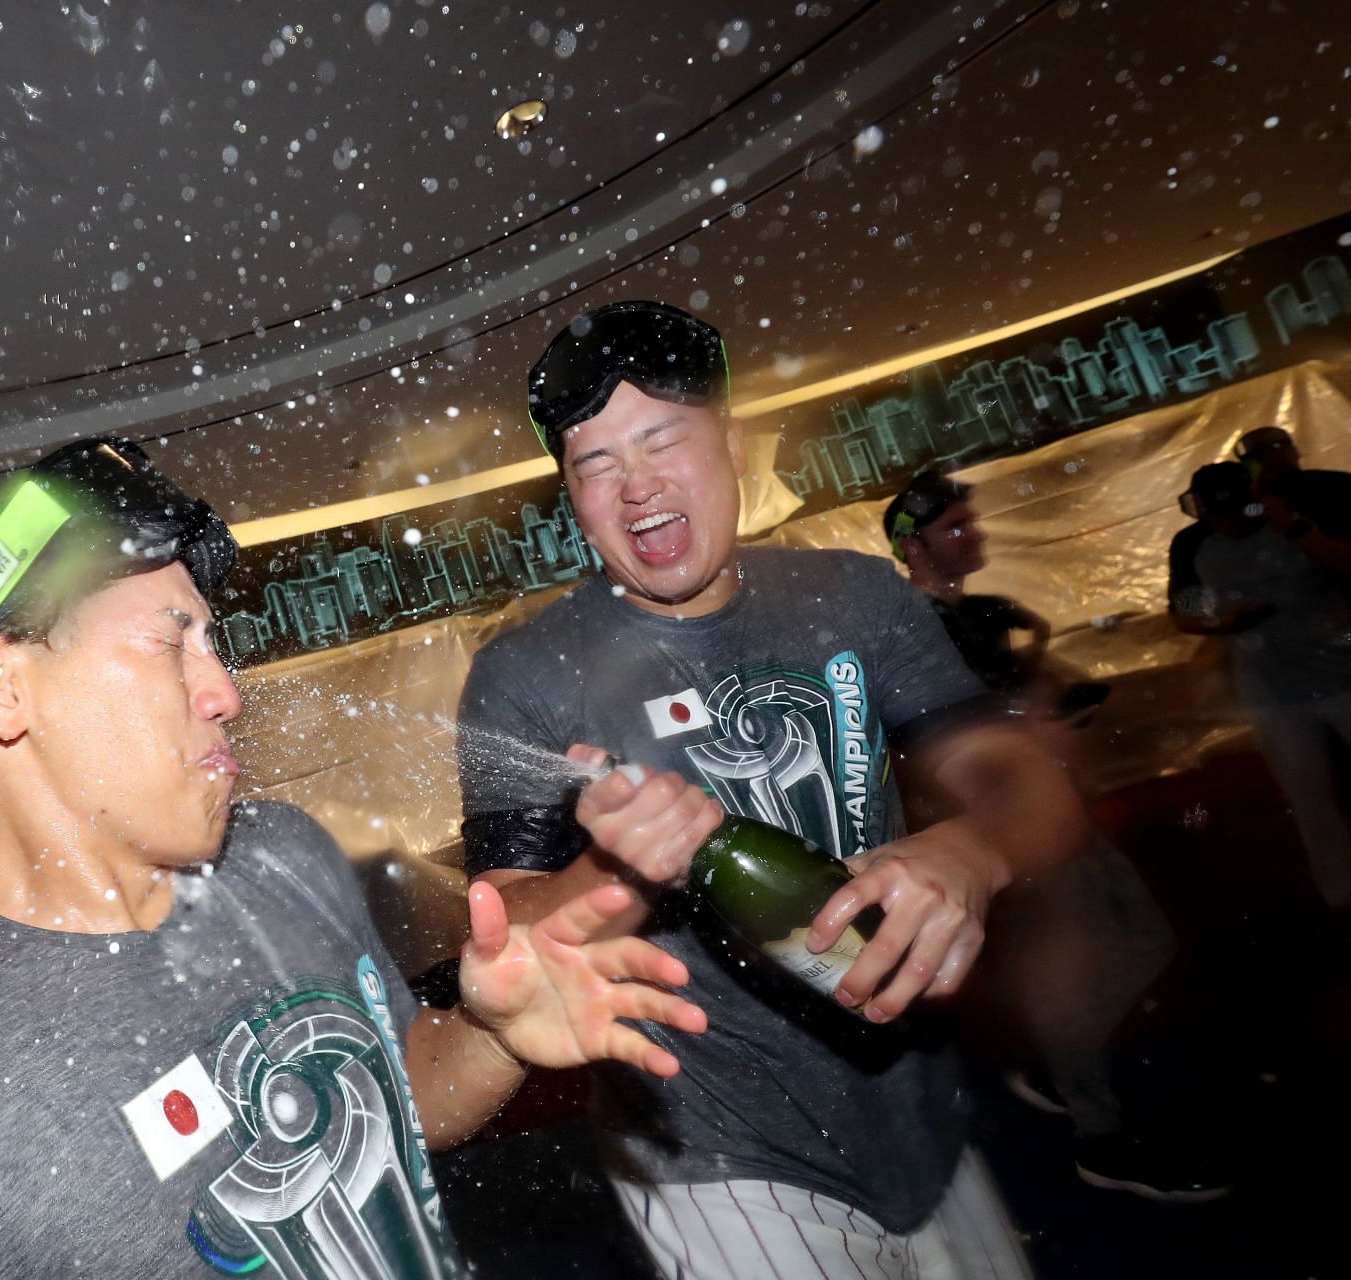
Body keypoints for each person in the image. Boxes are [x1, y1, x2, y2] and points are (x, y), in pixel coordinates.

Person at [0, 437, 708, 1279]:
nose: (224, 689)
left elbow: (400, 1095)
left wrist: (496, 1033)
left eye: (212, 642)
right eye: (170, 639)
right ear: (0, 691)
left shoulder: (284, 861)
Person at [457, 301, 1091, 1279]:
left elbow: (1023, 783)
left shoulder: (856, 596)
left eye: (663, 440)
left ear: (734, 443)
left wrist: (971, 847)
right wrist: (605, 866)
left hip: (923, 1114)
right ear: (570, 497)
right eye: (597, 466)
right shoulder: (527, 675)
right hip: (713, 1153)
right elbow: (506, 924)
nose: (638, 489)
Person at [886, 471, 1220, 1204]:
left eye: (972, 522)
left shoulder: (976, 615)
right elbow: (927, 749)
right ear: (912, 546)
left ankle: (1062, 1065)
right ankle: (1100, 1136)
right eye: (954, 528)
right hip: (1015, 829)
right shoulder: (912, 631)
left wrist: (1044, 712)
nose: (974, 534)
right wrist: (1021, 742)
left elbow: (1007, 695)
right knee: (1077, 960)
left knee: (1140, 939)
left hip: (1048, 809)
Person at [1169, 459, 1351, 909]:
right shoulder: (1192, 544)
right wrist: (1219, 622)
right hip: (1274, 693)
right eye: (1217, 518)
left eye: (1235, 515)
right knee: (1307, 798)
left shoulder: (1295, 520)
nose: (1228, 527)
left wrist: (1294, 530)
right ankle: (1342, 894)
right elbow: (1184, 611)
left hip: (1343, 676)